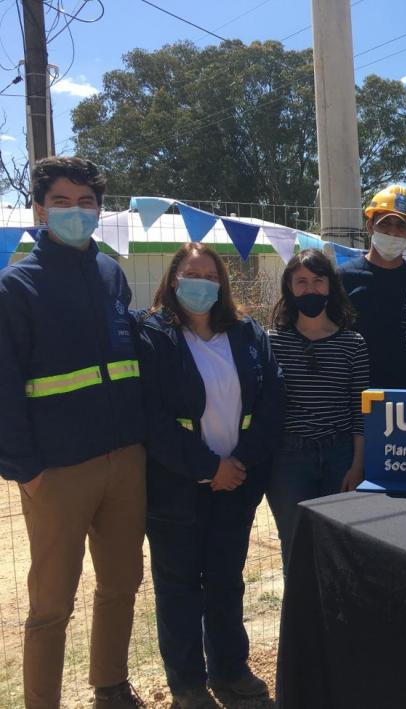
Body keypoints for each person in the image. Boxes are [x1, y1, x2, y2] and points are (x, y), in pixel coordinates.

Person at [0, 157, 146, 709]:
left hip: (125, 460)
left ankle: (109, 685)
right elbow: (3, 389)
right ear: (39, 209)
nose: (75, 212)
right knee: (51, 605)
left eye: (87, 203)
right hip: (56, 472)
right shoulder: (16, 287)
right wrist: (27, 472)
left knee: (122, 583)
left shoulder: (110, 273)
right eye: (62, 202)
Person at [137, 243, 282, 708]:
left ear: (221, 283)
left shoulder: (246, 332)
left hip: (236, 484)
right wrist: (208, 468)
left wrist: (237, 466)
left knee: (225, 580)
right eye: (190, 274)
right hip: (175, 488)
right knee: (178, 588)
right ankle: (187, 684)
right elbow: (151, 420)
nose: (200, 283)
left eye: (210, 275)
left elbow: (273, 401)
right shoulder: (152, 335)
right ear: (173, 280)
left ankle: (229, 669)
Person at [267, 248, 369, 571]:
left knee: (337, 546)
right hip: (289, 461)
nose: (310, 289)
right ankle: (298, 621)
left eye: (318, 281)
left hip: (339, 456)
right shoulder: (270, 342)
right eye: (301, 282)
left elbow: (359, 410)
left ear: (330, 286)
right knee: (295, 547)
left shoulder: (353, 344)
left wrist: (357, 465)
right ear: (289, 288)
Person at [339, 184, 406, 389]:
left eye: (401, 225)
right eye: (385, 223)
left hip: (405, 403)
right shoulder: (344, 278)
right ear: (370, 226)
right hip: (354, 402)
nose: (393, 231)